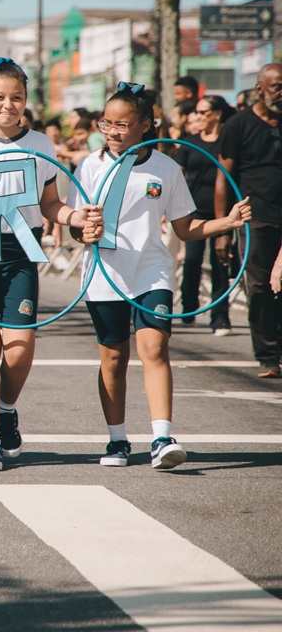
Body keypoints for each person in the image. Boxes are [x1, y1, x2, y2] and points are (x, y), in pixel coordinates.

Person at [70, 83, 250, 469]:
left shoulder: (166, 168)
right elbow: (73, 225)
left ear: (147, 125)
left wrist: (228, 222)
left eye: (123, 123)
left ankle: (161, 436)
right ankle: (117, 440)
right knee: (113, 358)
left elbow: (186, 228)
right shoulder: (88, 165)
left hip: (151, 272)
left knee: (155, 350)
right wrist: (82, 230)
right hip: (104, 273)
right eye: (107, 123)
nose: (113, 131)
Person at [0, 58, 101, 471]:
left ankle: (6, 407)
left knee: (20, 346)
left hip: (23, 248)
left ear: (26, 101)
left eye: (16, 98)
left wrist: (74, 217)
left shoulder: (41, 145)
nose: (7, 105)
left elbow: (51, 204)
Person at [215, 63, 282, 378]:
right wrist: (223, 229)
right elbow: (223, 178)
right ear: (260, 88)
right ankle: (269, 355)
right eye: (276, 87)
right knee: (259, 286)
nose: (281, 93)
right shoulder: (238, 125)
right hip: (255, 218)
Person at [174, 94, 235, 335]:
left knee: (221, 263)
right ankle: (189, 306)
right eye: (197, 112)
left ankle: (220, 318)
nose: (198, 117)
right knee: (191, 261)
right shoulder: (190, 142)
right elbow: (177, 175)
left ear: (217, 114)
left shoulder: (228, 143)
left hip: (223, 212)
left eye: (203, 112)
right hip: (194, 210)